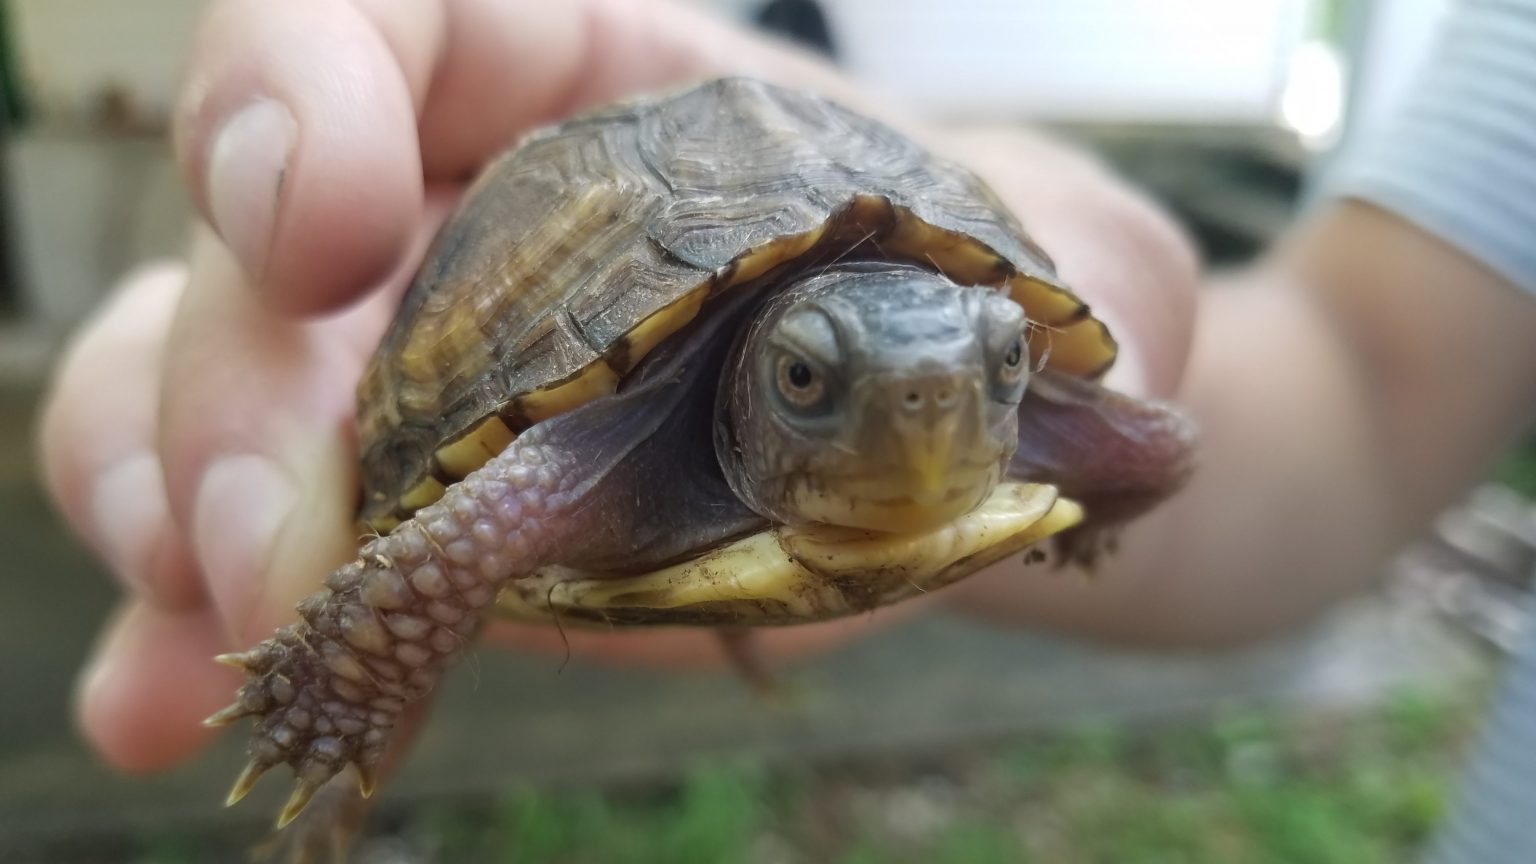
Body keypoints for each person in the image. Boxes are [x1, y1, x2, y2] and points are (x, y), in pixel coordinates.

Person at [33, 0, 1536, 859]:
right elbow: (458, 524)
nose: (943, 409)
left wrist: (1093, 477)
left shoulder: (994, 396)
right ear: (756, 378)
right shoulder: (585, 461)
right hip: (617, 419)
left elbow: (1154, 447)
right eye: (813, 380)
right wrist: (338, 670)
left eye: (996, 375)